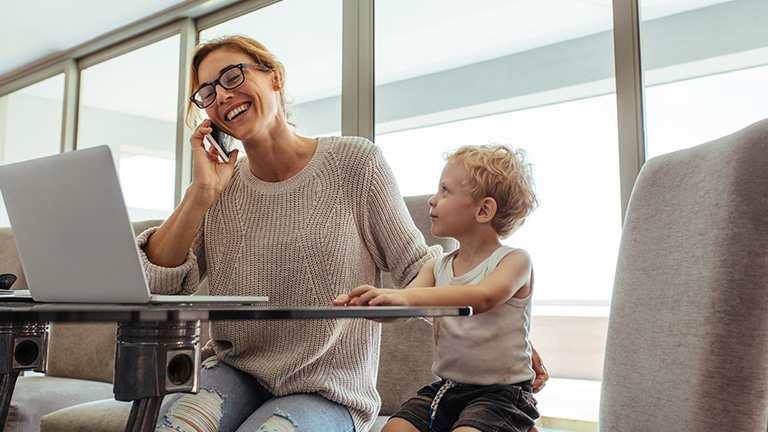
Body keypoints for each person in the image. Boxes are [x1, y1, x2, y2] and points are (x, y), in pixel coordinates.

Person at [139, 34, 547, 432]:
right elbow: (161, 284)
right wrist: (201, 193)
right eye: (206, 93)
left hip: (328, 388)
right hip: (232, 369)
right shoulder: (220, 184)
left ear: (274, 78)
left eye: (231, 76)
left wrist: (497, 331)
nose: (221, 95)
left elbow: (416, 269)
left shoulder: (356, 163)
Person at [334, 144, 541, 432]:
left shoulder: (514, 261)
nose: (433, 200)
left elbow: (482, 297)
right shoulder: (437, 267)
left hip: (502, 394)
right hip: (448, 388)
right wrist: (367, 305)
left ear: (484, 209)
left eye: (445, 190)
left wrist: (400, 295)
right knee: (393, 429)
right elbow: (405, 309)